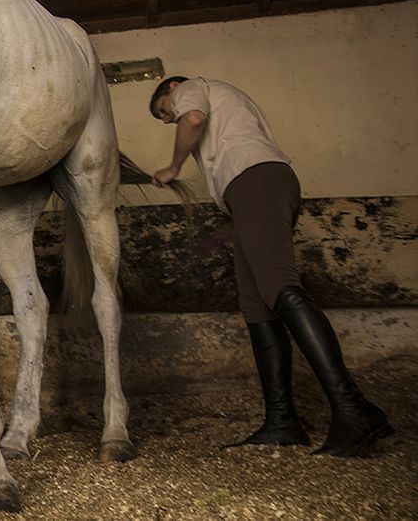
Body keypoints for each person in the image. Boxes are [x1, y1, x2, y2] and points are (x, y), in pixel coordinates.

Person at [148, 75, 392, 456]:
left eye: (165, 112)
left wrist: (174, 166)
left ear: (171, 87)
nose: (169, 119)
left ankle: (354, 409)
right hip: (248, 191)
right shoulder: (229, 108)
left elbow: (193, 118)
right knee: (257, 308)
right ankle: (282, 421)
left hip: (256, 181)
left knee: (279, 287)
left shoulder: (190, 86)